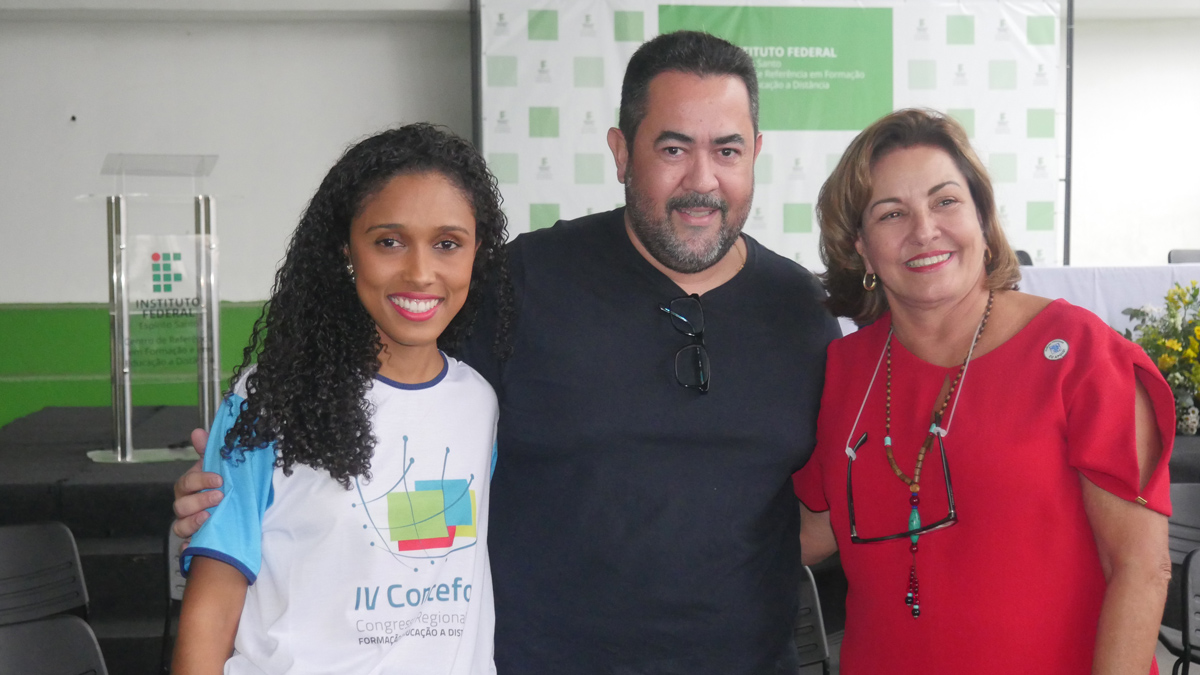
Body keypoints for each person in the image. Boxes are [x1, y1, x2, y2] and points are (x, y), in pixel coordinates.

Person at [175, 31, 840, 674]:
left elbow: (818, 518)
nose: (703, 179)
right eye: (673, 148)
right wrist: (235, 481)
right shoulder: (522, 282)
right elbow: (386, 397)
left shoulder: (802, 313)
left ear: (756, 152)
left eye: (727, 150)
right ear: (621, 152)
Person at [793, 108, 1174, 674]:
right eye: (892, 213)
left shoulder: (1082, 355)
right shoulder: (846, 369)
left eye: (945, 201)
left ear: (982, 217)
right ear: (862, 249)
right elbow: (815, 532)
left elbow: (1141, 569)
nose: (924, 230)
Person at [172, 124, 511, 675]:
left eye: (447, 244)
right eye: (389, 242)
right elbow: (211, 609)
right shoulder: (271, 399)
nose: (420, 272)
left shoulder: (479, 403)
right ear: (345, 250)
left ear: (478, 253)